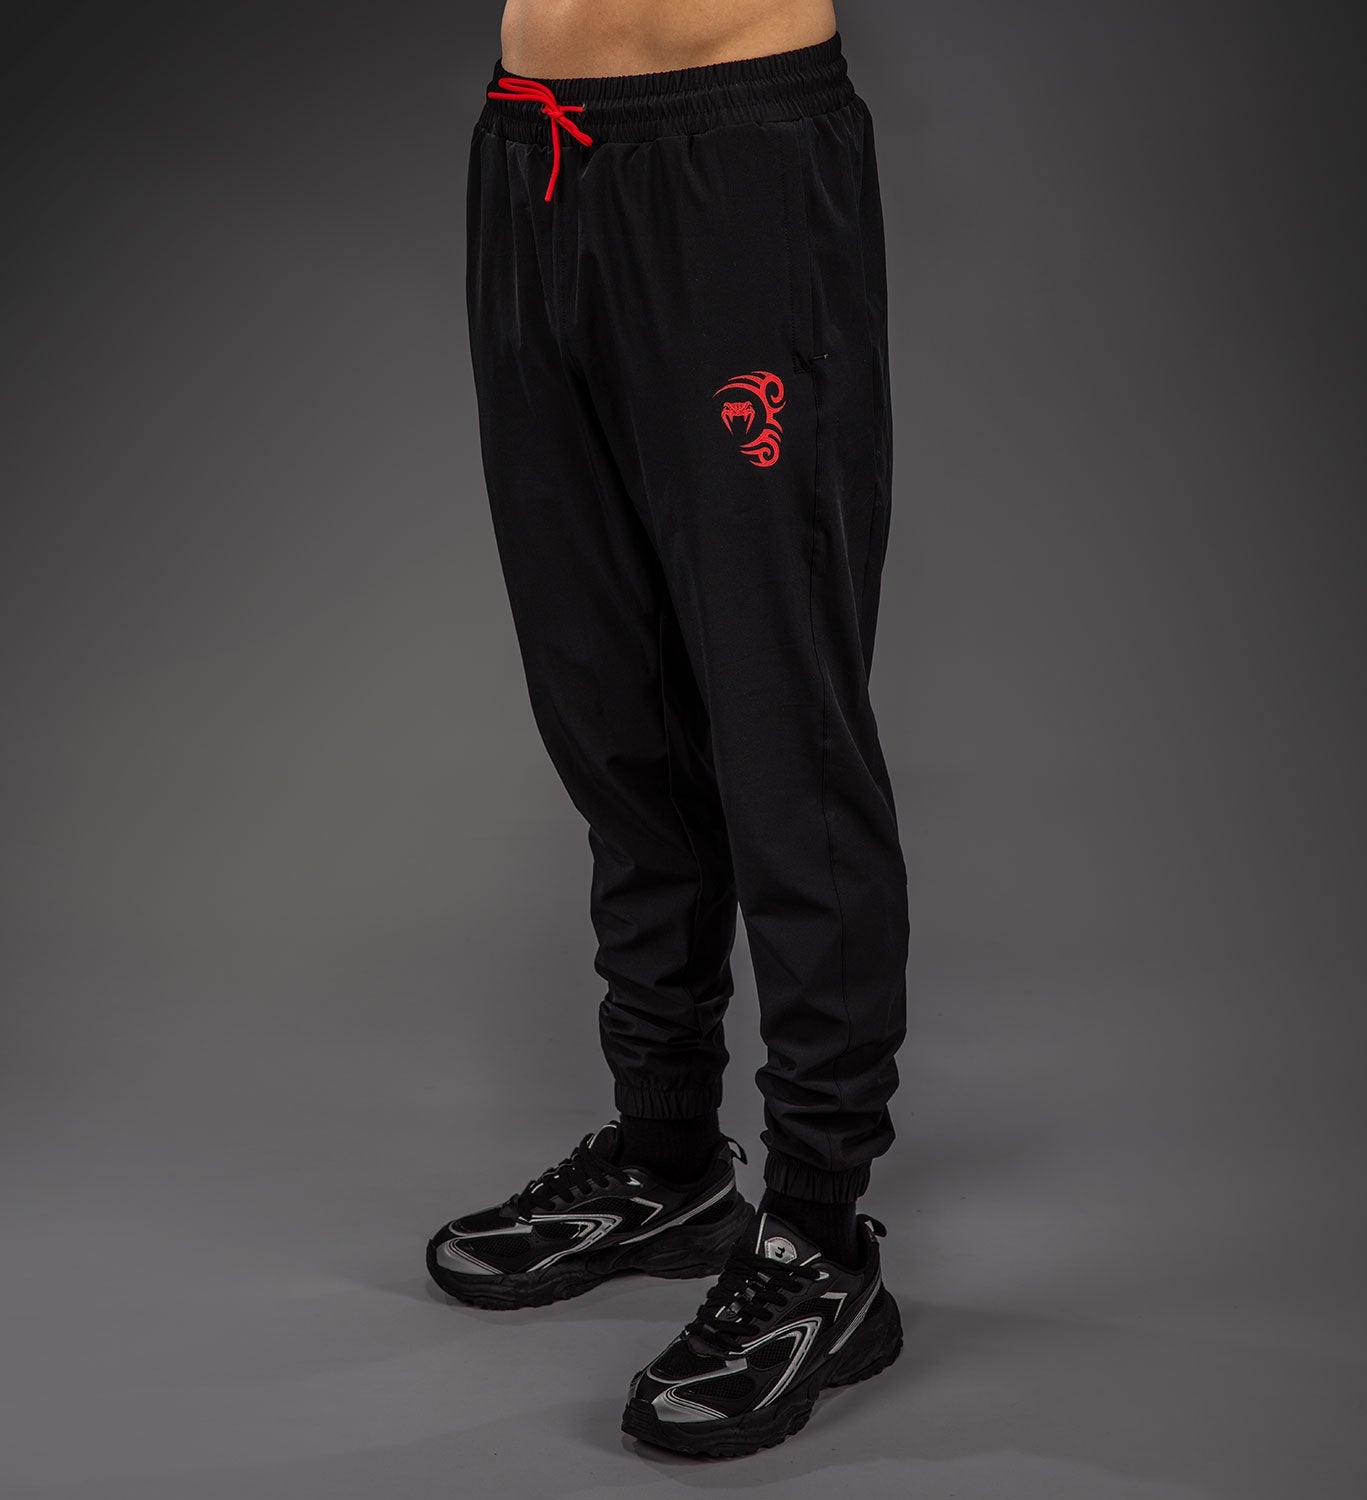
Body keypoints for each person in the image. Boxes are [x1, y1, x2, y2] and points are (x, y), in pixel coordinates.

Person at [427, 0, 908, 1457]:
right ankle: (665, 1159)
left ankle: (820, 1233)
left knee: (780, 718)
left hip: (736, 149)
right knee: (606, 705)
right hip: (534, 152)